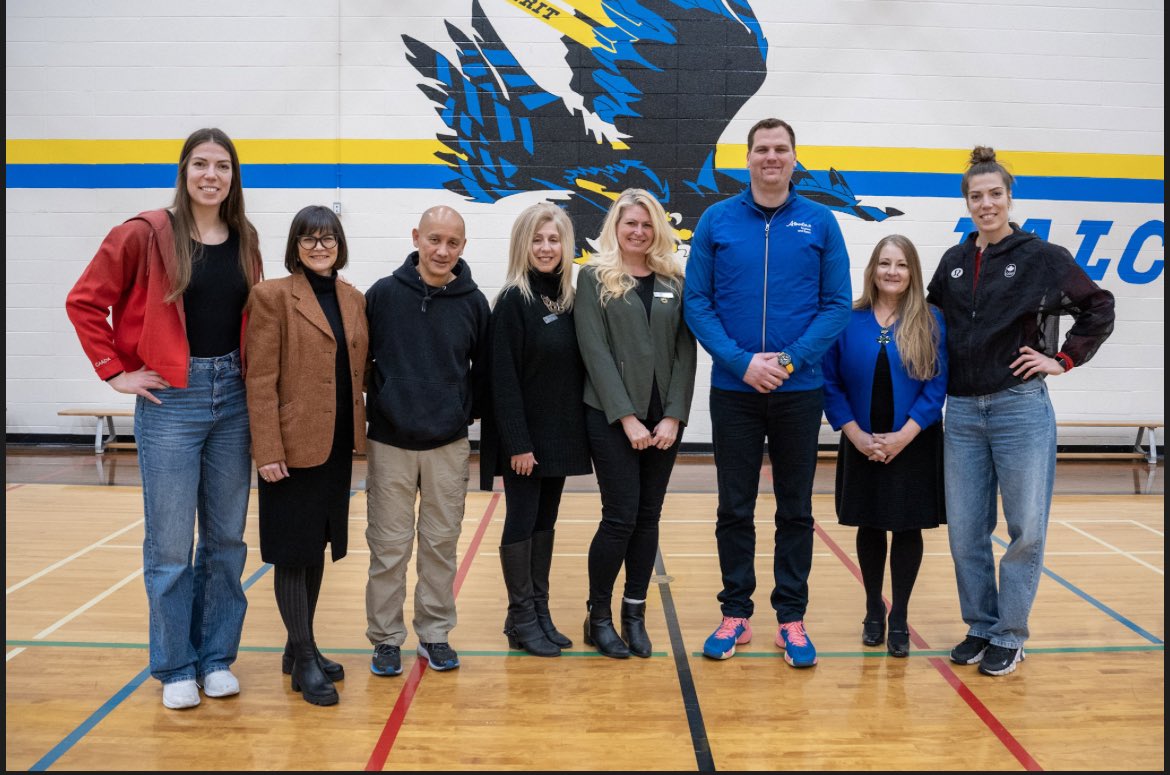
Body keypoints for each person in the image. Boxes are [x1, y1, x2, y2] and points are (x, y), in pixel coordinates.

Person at [65, 128, 262, 709]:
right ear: (183, 171)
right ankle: (176, 665)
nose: (211, 175)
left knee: (226, 541)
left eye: (222, 166)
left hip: (233, 397)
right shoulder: (144, 233)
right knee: (172, 546)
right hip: (171, 399)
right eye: (200, 164)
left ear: (233, 176)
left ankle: (216, 658)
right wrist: (115, 372)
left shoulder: (246, 238)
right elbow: (84, 301)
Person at [927, 146, 1115, 676]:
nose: (986, 204)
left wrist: (1062, 359)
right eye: (976, 196)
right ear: (966, 202)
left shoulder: (1041, 256)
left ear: (1009, 197)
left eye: (994, 194)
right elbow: (929, 322)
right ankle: (980, 626)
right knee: (966, 532)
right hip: (962, 414)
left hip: (1019, 409)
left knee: (1026, 528)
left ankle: (1010, 634)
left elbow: (1099, 306)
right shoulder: (953, 262)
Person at [683, 118, 851, 667]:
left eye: (781, 149)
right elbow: (697, 303)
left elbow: (836, 305)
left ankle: (791, 617)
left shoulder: (820, 222)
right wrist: (740, 363)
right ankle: (735, 613)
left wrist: (787, 361)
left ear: (794, 158)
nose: (771, 157)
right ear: (748, 158)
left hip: (799, 390)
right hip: (734, 391)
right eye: (762, 149)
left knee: (795, 508)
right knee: (734, 506)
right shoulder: (717, 220)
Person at [245, 206, 368, 705]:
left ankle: (300, 649)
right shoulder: (271, 296)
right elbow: (259, 379)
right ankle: (304, 656)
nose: (320, 247)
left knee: (315, 547)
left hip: (335, 445)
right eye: (309, 239)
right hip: (290, 448)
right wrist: (267, 449)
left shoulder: (353, 298)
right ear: (295, 246)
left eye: (328, 238)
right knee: (293, 553)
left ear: (340, 244)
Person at [363, 205, 490, 676]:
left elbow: (483, 371)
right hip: (390, 443)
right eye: (434, 239)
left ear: (463, 246)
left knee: (440, 544)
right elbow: (362, 359)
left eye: (452, 243)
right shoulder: (382, 295)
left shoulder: (474, 303)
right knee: (388, 547)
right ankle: (385, 639)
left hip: (447, 445)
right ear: (416, 237)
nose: (442, 250)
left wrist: (460, 412)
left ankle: (434, 633)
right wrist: (385, 403)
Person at [574, 188, 697, 659]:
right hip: (611, 418)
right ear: (616, 227)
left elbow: (686, 351)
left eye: (647, 224)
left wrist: (673, 416)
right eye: (631, 224)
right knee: (620, 517)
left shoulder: (674, 280)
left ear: (657, 229)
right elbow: (595, 352)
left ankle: (634, 614)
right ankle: (599, 617)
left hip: (663, 422)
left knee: (648, 518)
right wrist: (626, 418)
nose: (639, 232)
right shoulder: (593, 277)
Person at [822, 235, 948, 658]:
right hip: (861, 441)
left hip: (913, 441)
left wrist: (903, 436)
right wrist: (855, 435)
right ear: (872, 269)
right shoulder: (847, 319)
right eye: (884, 263)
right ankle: (873, 608)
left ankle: (900, 617)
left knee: (907, 528)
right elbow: (830, 381)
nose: (892, 272)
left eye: (901, 264)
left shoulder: (931, 319)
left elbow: (937, 385)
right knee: (870, 525)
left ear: (913, 272)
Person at [479, 202, 592, 657]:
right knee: (522, 522)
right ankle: (522, 616)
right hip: (525, 442)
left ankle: (537, 613)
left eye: (554, 239)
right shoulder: (513, 300)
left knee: (545, 523)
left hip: (559, 437)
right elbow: (502, 381)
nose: (546, 248)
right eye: (537, 240)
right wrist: (518, 444)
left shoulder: (568, 300)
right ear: (522, 245)